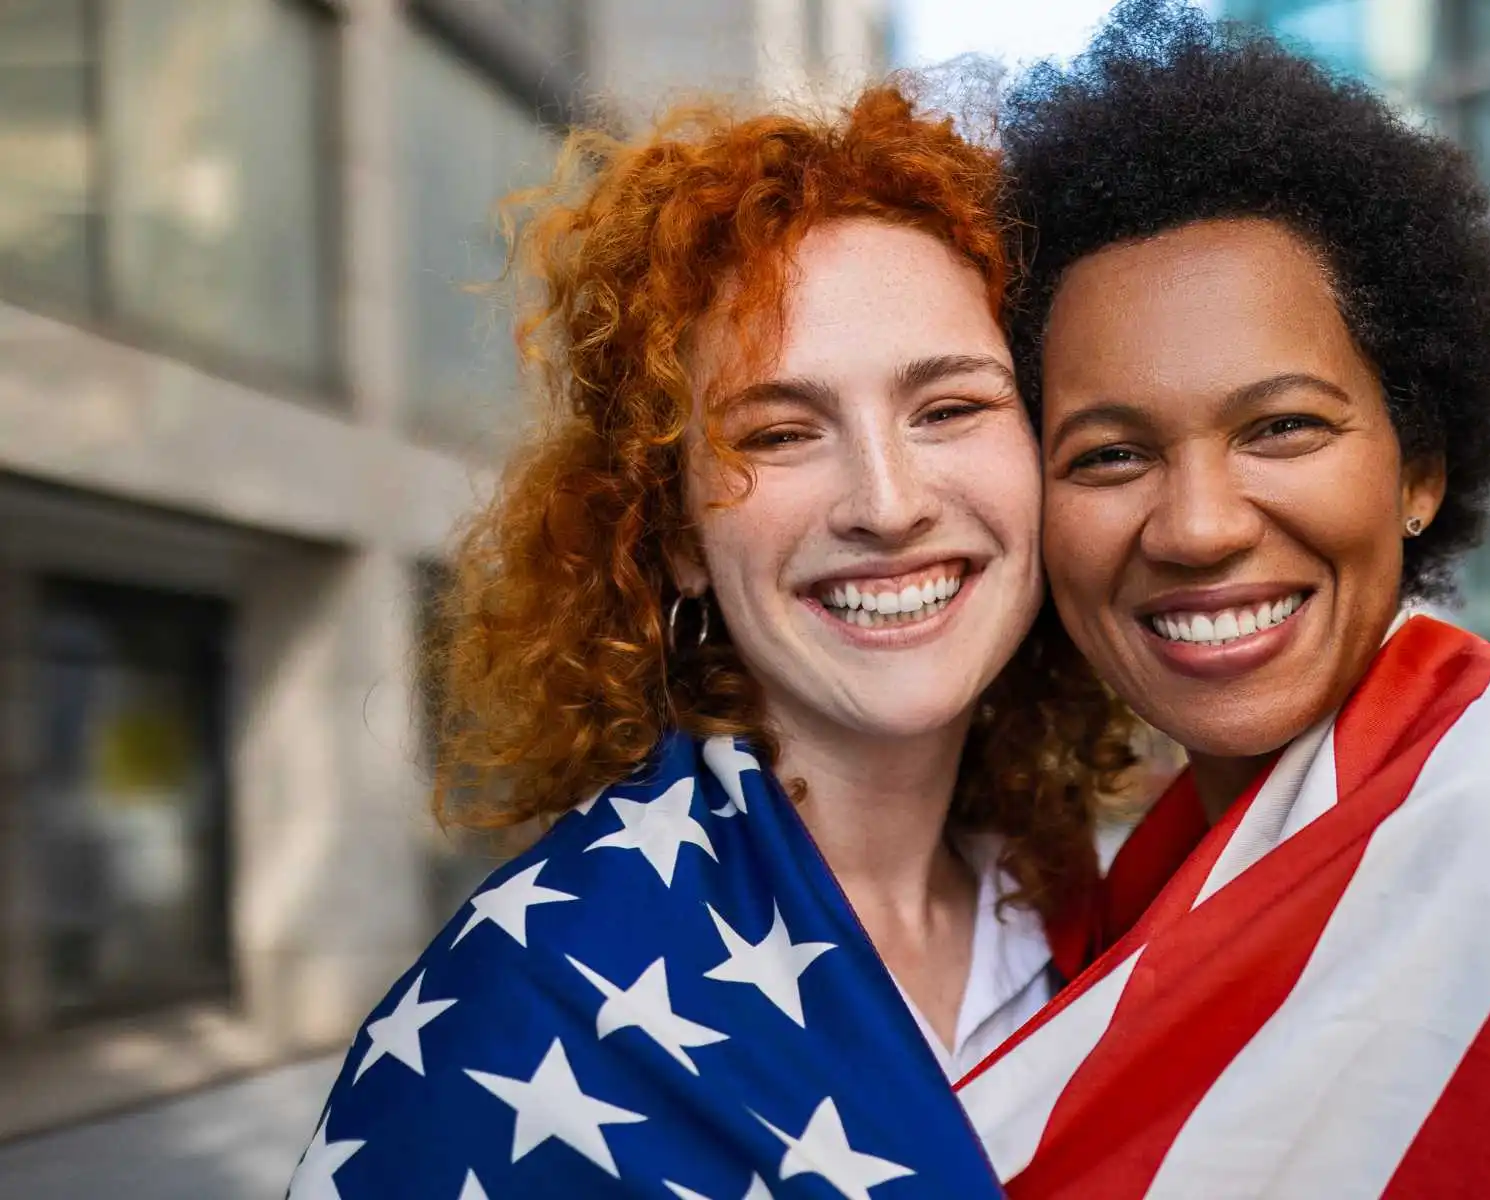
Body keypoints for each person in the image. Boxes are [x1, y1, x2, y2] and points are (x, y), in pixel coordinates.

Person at [956, 4, 1490, 1197]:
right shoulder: (1101, 893)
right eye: (1109, 455)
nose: (1198, 526)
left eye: (1282, 427)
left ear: (1417, 471)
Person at [289, 86, 1128, 1199]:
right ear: (679, 535)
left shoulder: (1084, 912)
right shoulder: (518, 1009)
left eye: (950, 409)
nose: (887, 504)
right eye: (779, 434)